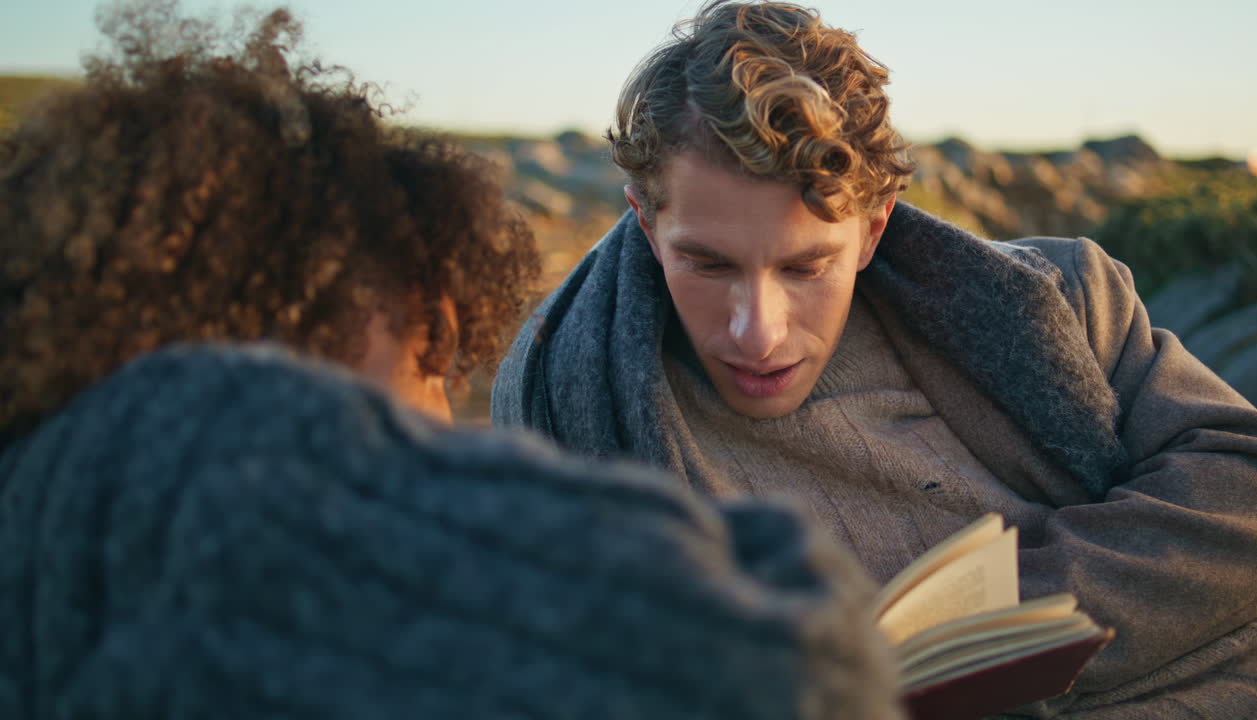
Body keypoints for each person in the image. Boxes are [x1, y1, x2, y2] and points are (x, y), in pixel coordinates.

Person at [0, 4, 904, 718]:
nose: (438, 415)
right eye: (435, 365)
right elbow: (786, 672)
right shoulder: (224, 458)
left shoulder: (55, 510)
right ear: (386, 305)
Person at [491, 1, 1257, 716]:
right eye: (708, 264)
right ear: (644, 217)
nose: (757, 333)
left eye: (805, 268)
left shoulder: (1064, 299)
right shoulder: (562, 401)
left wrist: (997, 628)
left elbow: (1256, 488)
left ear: (871, 231)